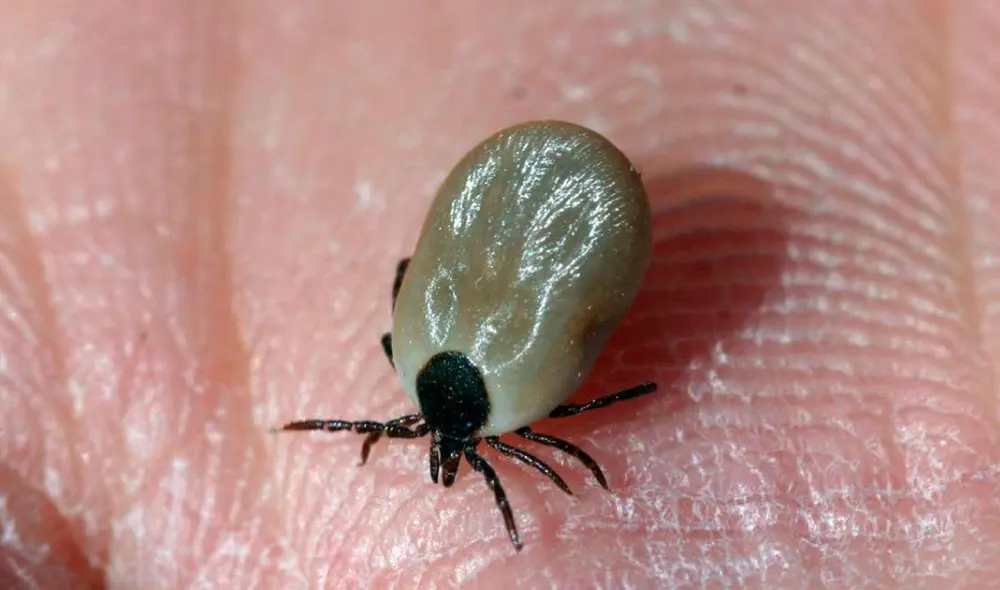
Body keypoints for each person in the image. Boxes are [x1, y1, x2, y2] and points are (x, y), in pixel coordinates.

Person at [1, 2, 996, 588]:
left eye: (415, 433)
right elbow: (530, 401)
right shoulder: (462, 376)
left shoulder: (445, 362)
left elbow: (555, 388)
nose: (440, 449)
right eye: (438, 440)